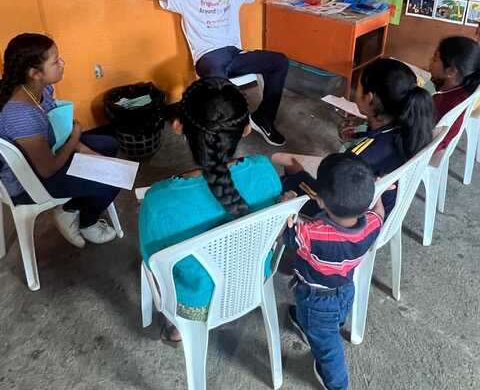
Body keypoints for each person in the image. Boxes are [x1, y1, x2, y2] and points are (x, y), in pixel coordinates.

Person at [138, 77, 282, 339]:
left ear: (178, 127)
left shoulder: (158, 201)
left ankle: (177, 330)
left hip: (197, 306)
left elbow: (153, 264)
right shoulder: (265, 170)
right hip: (252, 284)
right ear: (246, 129)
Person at [146, 0, 288, 146]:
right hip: (208, 57)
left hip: (235, 54)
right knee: (220, 85)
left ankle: (263, 118)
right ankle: (227, 129)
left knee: (279, 61)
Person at [0, 33, 120, 247]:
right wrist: (75, 139)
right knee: (113, 178)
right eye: (55, 62)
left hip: (48, 153)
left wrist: (86, 151)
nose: (62, 63)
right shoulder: (20, 114)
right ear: (35, 73)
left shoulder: (41, 89)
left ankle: (70, 208)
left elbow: (58, 131)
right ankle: (87, 221)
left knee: (108, 146)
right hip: (28, 182)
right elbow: (47, 170)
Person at [279, 58, 433, 216]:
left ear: (369, 98)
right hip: (384, 205)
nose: (355, 93)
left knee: (286, 173)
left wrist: (299, 173)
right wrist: (363, 133)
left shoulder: (356, 159)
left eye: (358, 88)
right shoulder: (411, 127)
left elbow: (333, 195)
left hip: (345, 213)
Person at [284, 153, 384, 390]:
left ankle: (338, 384)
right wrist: (378, 194)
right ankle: (310, 322)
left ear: (320, 201)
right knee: (334, 320)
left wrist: (286, 205)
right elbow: (379, 211)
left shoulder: (310, 233)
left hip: (316, 300)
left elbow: (286, 235)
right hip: (345, 288)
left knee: (327, 347)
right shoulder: (373, 223)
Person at [429, 36, 480, 151]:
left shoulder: (442, 103)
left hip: (425, 149)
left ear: (451, 71)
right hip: (439, 142)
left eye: (435, 58)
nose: (430, 60)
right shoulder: (463, 88)